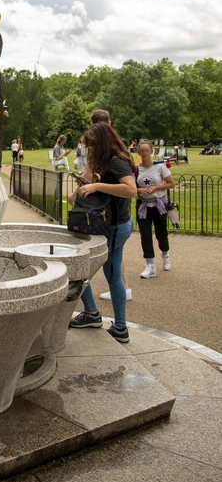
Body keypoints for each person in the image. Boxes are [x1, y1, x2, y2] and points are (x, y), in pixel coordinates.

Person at [69, 122, 136, 343]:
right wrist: (81, 189)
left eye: (93, 146)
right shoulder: (108, 160)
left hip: (115, 227)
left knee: (80, 270)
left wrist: (97, 187)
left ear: (103, 143)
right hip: (115, 226)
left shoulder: (116, 161)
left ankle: (92, 313)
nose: (91, 150)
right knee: (113, 273)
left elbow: (130, 189)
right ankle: (120, 327)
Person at [136, 140, 175, 278]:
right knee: (145, 235)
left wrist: (156, 188)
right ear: (138, 152)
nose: (145, 153)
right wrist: (140, 189)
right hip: (143, 205)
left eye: (147, 150)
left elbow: (171, 184)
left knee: (161, 234)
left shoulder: (160, 167)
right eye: (142, 151)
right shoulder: (136, 169)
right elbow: (131, 188)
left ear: (151, 151)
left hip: (158, 205)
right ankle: (150, 265)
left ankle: (165, 254)